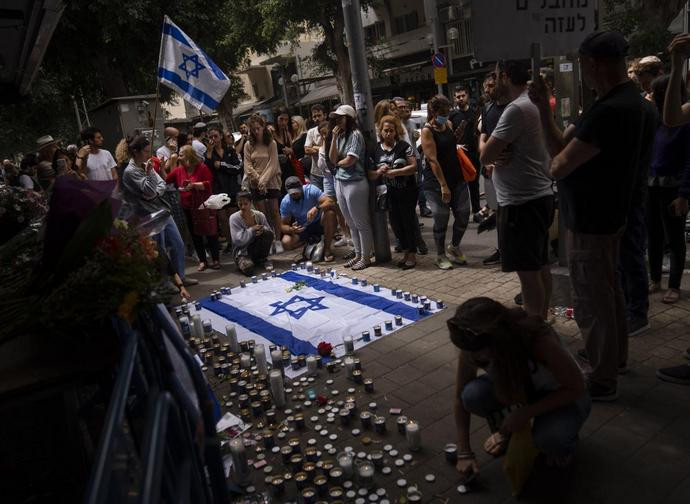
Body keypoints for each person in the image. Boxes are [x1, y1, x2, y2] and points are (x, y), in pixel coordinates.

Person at [530, 31, 656, 400]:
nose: (583, 71)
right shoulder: (631, 103)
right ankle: (613, 359)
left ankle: (602, 378)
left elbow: (558, 165)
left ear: (594, 64)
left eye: (584, 64)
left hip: (592, 219)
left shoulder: (609, 111)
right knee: (609, 291)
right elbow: (564, 146)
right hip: (611, 216)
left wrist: (556, 160)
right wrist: (543, 112)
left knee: (592, 300)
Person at [449, 297, 591, 481]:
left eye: (481, 351)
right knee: (472, 395)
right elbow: (460, 399)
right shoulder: (472, 345)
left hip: (564, 396)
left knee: (552, 440)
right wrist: (464, 453)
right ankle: (509, 433)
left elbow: (576, 388)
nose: (476, 356)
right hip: (523, 394)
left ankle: (562, 438)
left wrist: (527, 412)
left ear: (500, 336)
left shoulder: (538, 341)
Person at [479, 59, 555, 320]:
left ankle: (535, 332)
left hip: (521, 204)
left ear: (507, 77)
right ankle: (541, 322)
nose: (494, 80)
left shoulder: (516, 108)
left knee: (529, 276)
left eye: (498, 75)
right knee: (540, 266)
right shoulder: (531, 103)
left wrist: (491, 151)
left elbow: (486, 155)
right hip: (537, 197)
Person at [120, 135, 191, 286]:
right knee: (160, 251)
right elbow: (149, 190)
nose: (149, 154)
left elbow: (161, 185)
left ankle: (181, 278)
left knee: (178, 243)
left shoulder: (147, 164)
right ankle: (166, 284)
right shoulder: (130, 172)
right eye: (146, 151)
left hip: (162, 210)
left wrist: (153, 190)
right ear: (136, 152)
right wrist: (149, 177)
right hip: (148, 216)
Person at [647, 75, 689, 306]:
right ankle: (654, 278)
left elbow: (689, 161)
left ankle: (674, 285)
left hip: (673, 188)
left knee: (674, 238)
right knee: (653, 235)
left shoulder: (684, 120)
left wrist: (684, 194)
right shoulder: (656, 120)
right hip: (651, 186)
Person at [420, 95, 471, 270]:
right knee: (441, 217)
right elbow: (433, 160)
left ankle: (454, 246)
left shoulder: (448, 125)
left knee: (464, 214)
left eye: (448, 111)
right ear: (434, 112)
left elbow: (449, 146)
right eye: (443, 112)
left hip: (457, 178)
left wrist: (457, 135)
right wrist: (443, 185)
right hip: (436, 183)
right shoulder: (427, 131)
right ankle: (440, 255)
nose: (446, 115)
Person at [375, 99, 428, 256]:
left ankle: (417, 244)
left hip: (404, 177)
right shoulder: (379, 129)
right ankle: (403, 243)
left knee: (408, 214)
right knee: (395, 217)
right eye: (391, 109)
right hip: (388, 183)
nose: (396, 111)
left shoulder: (400, 126)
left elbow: (408, 150)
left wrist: (399, 170)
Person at [328, 104, 374, 271]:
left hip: (355, 182)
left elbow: (350, 160)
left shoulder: (355, 135)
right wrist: (333, 138)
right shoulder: (340, 136)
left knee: (361, 222)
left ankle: (366, 257)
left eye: (341, 117)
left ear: (348, 118)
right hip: (340, 181)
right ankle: (358, 254)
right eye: (336, 118)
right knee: (350, 223)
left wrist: (339, 163)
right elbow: (332, 158)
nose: (338, 121)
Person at [372, 115, 419, 269]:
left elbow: (414, 166)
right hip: (387, 193)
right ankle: (405, 252)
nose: (388, 134)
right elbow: (370, 172)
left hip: (406, 191)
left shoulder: (404, 146)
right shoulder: (376, 149)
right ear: (380, 131)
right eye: (385, 130)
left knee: (408, 222)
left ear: (396, 131)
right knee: (395, 224)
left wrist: (396, 173)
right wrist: (380, 171)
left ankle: (412, 254)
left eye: (391, 130)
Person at [166, 145, 221, 271]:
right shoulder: (179, 169)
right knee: (195, 234)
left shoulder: (201, 168)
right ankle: (202, 260)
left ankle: (215, 259)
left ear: (189, 156)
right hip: (188, 207)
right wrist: (169, 163)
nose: (179, 157)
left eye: (181, 154)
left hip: (203, 205)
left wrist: (194, 185)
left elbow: (208, 184)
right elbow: (166, 179)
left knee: (210, 232)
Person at [243, 113, 284, 254]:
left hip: (271, 181)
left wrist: (264, 181)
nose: (256, 131)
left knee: (274, 211)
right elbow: (247, 165)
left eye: (258, 128)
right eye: (253, 128)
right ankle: (269, 240)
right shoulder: (248, 145)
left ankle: (278, 240)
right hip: (255, 183)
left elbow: (273, 163)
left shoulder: (271, 143)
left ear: (263, 127)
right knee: (262, 214)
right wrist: (257, 179)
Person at [478, 72, 505, 266]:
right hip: (490, 170)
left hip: (509, 171)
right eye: (486, 86)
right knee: (498, 212)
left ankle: (509, 249)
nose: (488, 90)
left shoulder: (512, 108)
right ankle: (502, 249)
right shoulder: (487, 110)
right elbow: (483, 138)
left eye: (491, 86)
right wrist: (486, 160)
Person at [279, 176, 337, 262]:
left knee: (330, 213)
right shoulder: (285, 202)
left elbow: (331, 202)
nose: (295, 194)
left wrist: (317, 208)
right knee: (286, 242)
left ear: (301, 187)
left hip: (318, 222)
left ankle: (327, 249)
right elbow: (283, 225)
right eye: (292, 193)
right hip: (303, 227)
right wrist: (292, 229)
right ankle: (308, 244)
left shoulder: (311, 189)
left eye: (297, 192)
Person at [393, 96, 432, 219]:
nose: (404, 109)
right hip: (403, 161)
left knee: (419, 183)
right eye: (400, 107)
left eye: (405, 107)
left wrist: (415, 136)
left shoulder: (410, 122)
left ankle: (422, 206)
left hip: (415, 157)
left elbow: (413, 140)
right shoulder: (394, 125)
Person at [205, 125, 243, 253]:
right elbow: (208, 170)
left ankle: (237, 241)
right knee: (222, 219)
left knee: (232, 216)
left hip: (231, 188)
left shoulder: (230, 150)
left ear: (221, 136)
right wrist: (209, 153)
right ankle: (230, 242)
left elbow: (237, 168)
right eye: (211, 137)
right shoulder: (208, 154)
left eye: (215, 136)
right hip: (217, 189)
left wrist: (221, 165)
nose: (213, 139)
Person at [450, 85, 482, 220]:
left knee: (474, 184)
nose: (461, 99)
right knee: (460, 187)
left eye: (463, 96)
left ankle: (476, 212)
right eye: (458, 97)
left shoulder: (475, 112)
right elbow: (449, 135)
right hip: (459, 156)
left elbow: (480, 132)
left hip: (474, 154)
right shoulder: (452, 115)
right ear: (454, 98)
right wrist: (456, 145)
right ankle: (461, 214)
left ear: (467, 96)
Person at [229, 191, 274, 275]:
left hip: (256, 247)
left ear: (250, 203)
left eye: (246, 204)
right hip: (242, 252)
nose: (243, 207)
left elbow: (270, 233)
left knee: (267, 233)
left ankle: (262, 259)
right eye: (240, 204)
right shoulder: (234, 218)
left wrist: (262, 230)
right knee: (248, 269)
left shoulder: (259, 215)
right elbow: (237, 241)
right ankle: (246, 262)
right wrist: (251, 230)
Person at [304, 104, 327, 190]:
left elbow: (329, 149)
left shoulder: (332, 129)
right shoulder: (311, 132)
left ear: (325, 115)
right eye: (314, 116)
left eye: (319, 115)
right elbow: (306, 150)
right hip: (315, 173)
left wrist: (315, 147)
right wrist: (322, 149)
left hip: (329, 172)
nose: (317, 118)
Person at [273, 107, 295, 188]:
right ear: (276, 119)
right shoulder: (271, 133)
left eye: (286, 120)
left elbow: (292, 150)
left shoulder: (287, 133)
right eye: (281, 119)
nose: (284, 122)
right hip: (276, 170)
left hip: (288, 167)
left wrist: (290, 150)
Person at [290, 115, 308, 183]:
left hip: (303, 166)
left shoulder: (304, 135)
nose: (291, 125)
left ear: (299, 123)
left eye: (293, 123)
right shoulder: (293, 137)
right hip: (295, 166)